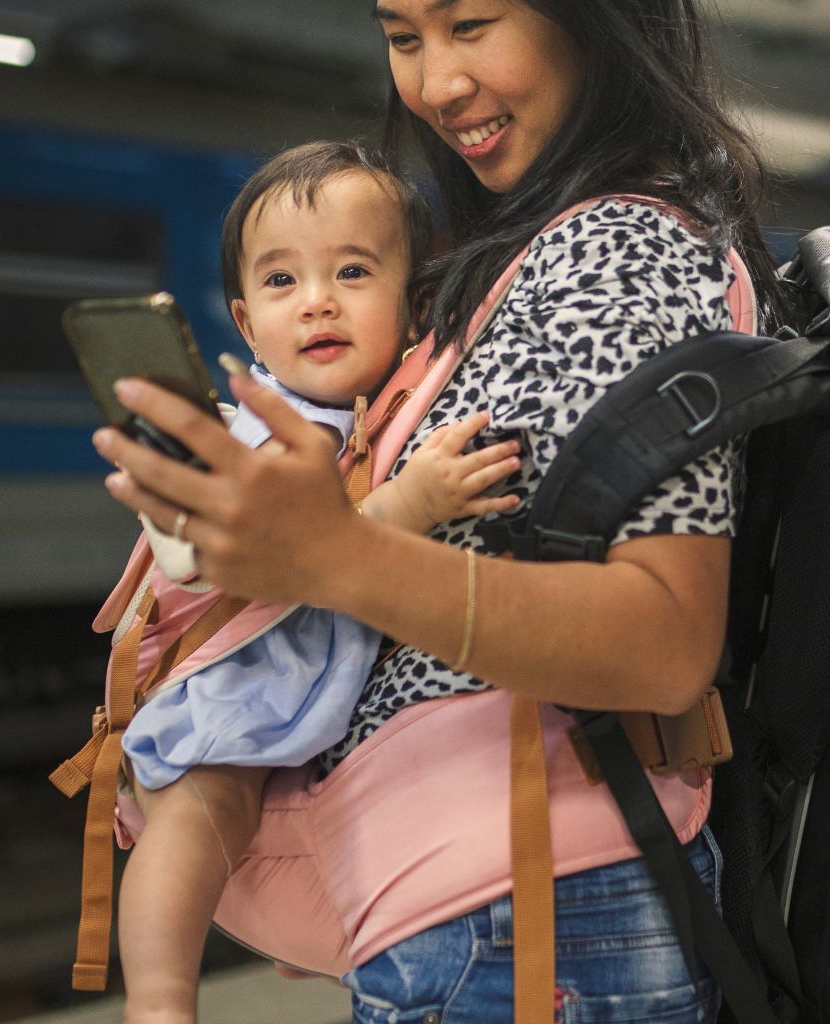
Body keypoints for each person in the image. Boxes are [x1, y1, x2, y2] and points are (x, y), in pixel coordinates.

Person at [94, 2, 788, 1021]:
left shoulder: (620, 248)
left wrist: (329, 553)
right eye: (404, 35)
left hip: (531, 910)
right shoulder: (520, 254)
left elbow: (664, 639)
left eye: (469, 23)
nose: (434, 83)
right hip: (479, 912)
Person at [115, 140, 522, 1023]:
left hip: (312, 710)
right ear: (245, 320)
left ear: (417, 305)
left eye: (351, 270)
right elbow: (318, 552)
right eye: (280, 283)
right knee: (193, 824)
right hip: (231, 696)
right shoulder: (261, 427)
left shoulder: (393, 407)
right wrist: (413, 499)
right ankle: (156, 1004)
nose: (317, 302)